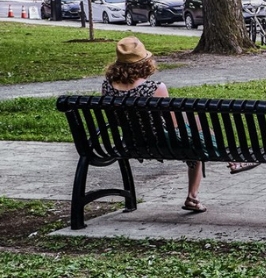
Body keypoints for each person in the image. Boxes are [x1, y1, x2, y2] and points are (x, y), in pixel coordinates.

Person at [102, 37, 257, 214]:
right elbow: (173, 124)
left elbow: (114, 119)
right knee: (199, 136)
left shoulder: (107, 87)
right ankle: (205, 184)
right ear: (144, 63)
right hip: (162, 142)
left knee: (197, 125)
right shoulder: (155, 88)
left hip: (131, 142)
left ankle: (231, 162)